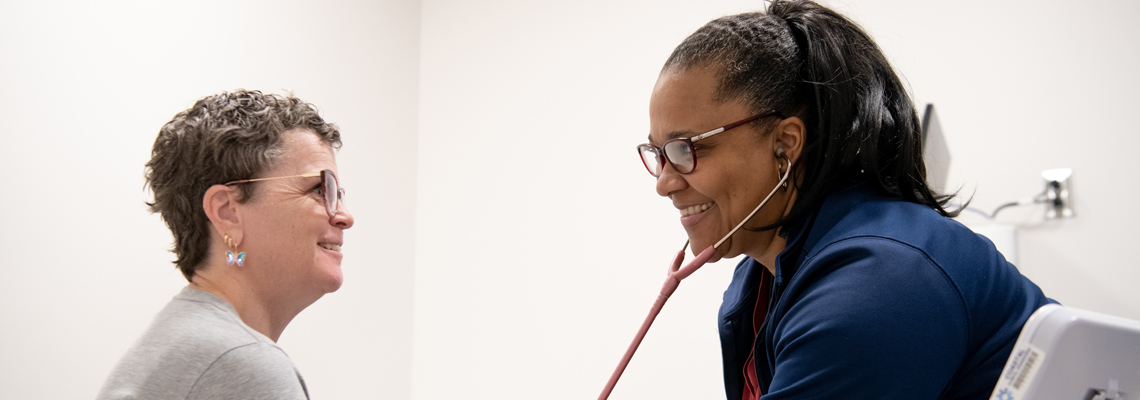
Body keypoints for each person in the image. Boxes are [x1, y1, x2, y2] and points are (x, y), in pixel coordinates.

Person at [637, 1, 1054, 399]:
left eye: (686, 149)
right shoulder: (759, 280)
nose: (665, 183)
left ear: (785, 145)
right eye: (658, 155)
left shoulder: (878, 283)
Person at [96, 90, 355, 400]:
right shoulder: (241, 364)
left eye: (337, 194)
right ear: (227, 212)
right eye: (319, 189)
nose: (344, 216)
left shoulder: (180, 345)